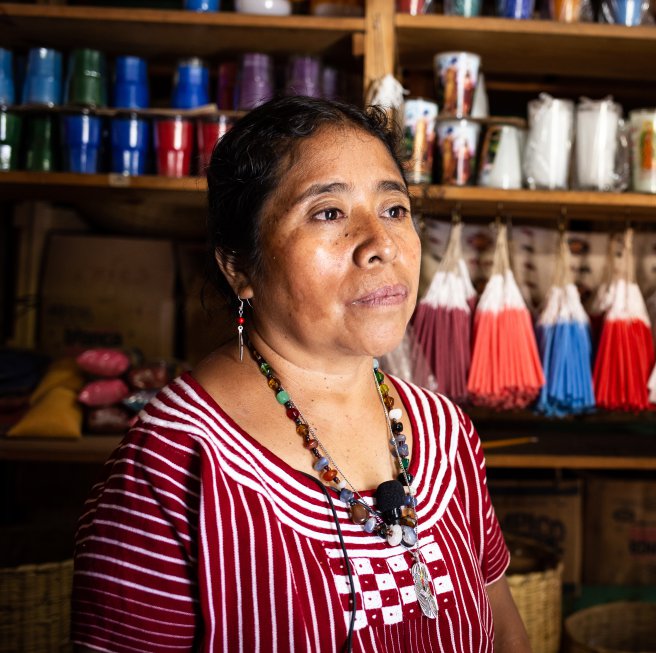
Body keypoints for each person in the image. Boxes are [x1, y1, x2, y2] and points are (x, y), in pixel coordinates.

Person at [71, 95, 531, 652]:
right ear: (240, 266)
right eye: (329, 213)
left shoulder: (444, 432)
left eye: (394, 209)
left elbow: (503, 626)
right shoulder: (174, 466)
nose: (381, 244)